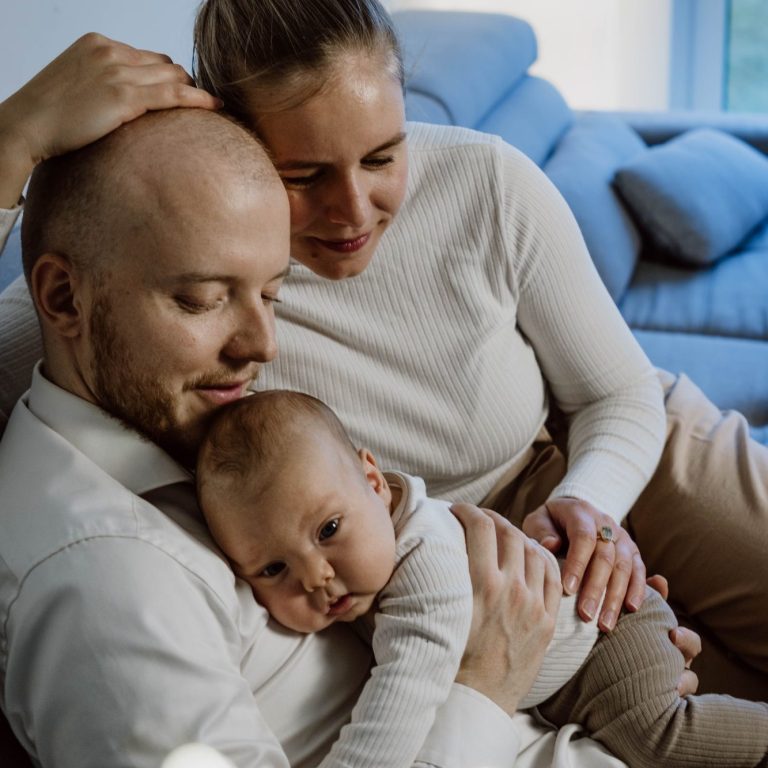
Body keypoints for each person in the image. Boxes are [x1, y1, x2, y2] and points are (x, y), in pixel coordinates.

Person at [0, 105, 569, 767]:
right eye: (203, 299)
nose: (262, 346)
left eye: (271, 294)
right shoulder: (108, 588)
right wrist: (490, 679)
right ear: (65, 299)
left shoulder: (188, 435)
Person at [198, 389, 768, 768]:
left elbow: (407, 689)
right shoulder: (368, 553)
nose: (316, 578)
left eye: (328, 530)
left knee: (661, 736)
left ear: (374, 482)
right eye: (273, 569)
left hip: (604, 629)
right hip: (563, 679)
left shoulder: (425, 562)